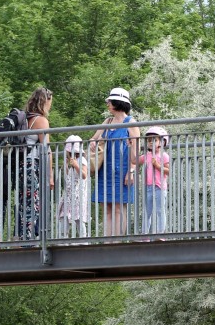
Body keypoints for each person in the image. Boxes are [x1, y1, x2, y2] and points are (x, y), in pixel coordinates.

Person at [90, 87, 139, 236]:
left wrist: (131, 171)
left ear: (118, 103)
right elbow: (94, 137)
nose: (107, 104)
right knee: (108, 208)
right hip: (106, 169)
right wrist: (93, 142)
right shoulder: (108, 121)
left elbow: (135, 153)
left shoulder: (131, 122)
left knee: (119, 208)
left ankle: (117, 240)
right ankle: (108, 240)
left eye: (110, 101)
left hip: (122, 169)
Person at [17, 87, 54, 240]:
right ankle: (29, 239)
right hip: (32, 165)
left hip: (20, 165)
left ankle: (22, 238)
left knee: (23, 202)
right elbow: (47, 149)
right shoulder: (41, 121)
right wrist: (50, 175)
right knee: (32, 203)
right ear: (46, 102)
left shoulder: (25, 118)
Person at [137, 126, 170, 233]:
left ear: (162, 142)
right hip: (148, 187)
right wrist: (132, 145)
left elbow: (168, 171)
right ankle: (145, 235)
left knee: (160, 211)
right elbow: (135, 160)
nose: (150, 142)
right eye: (149, 140)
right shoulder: (147, 155)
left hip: (160, 187)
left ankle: (161, 234)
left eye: (154, 140)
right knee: (147, 212)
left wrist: (157, 166)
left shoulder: (164, 156)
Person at [56, 135, 91, 236]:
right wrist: (67, 166)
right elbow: (68, 176)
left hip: (78, 195)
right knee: (64, 215)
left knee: (78, 217)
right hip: (68, 194)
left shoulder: (82, 160)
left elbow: (84, 175)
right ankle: (63, 238)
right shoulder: (70, 161)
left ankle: (83, 239)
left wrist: (76, 165)